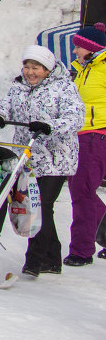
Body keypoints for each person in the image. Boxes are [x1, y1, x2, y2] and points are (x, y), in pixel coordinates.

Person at [0, 44, 83, 277]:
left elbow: (76, 117)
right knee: (36, 207)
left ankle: (35, 261)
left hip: (56, 158)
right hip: (27, 157)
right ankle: (52, 259)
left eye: (36, 68)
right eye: (27, 67)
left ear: (48, 69)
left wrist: (51, 126)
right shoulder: (19, 86)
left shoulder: (63, 87)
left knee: (41, 207)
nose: (30, 72)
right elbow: (5, 105)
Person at [64, 23, 106, 265]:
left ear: (91, 48)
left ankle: (81, 250)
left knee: (82, 193)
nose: (75, 51)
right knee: (83, 191)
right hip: (80, 135)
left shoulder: (103, 68)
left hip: (97, 135)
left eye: (78, 46)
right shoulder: (82, 70)